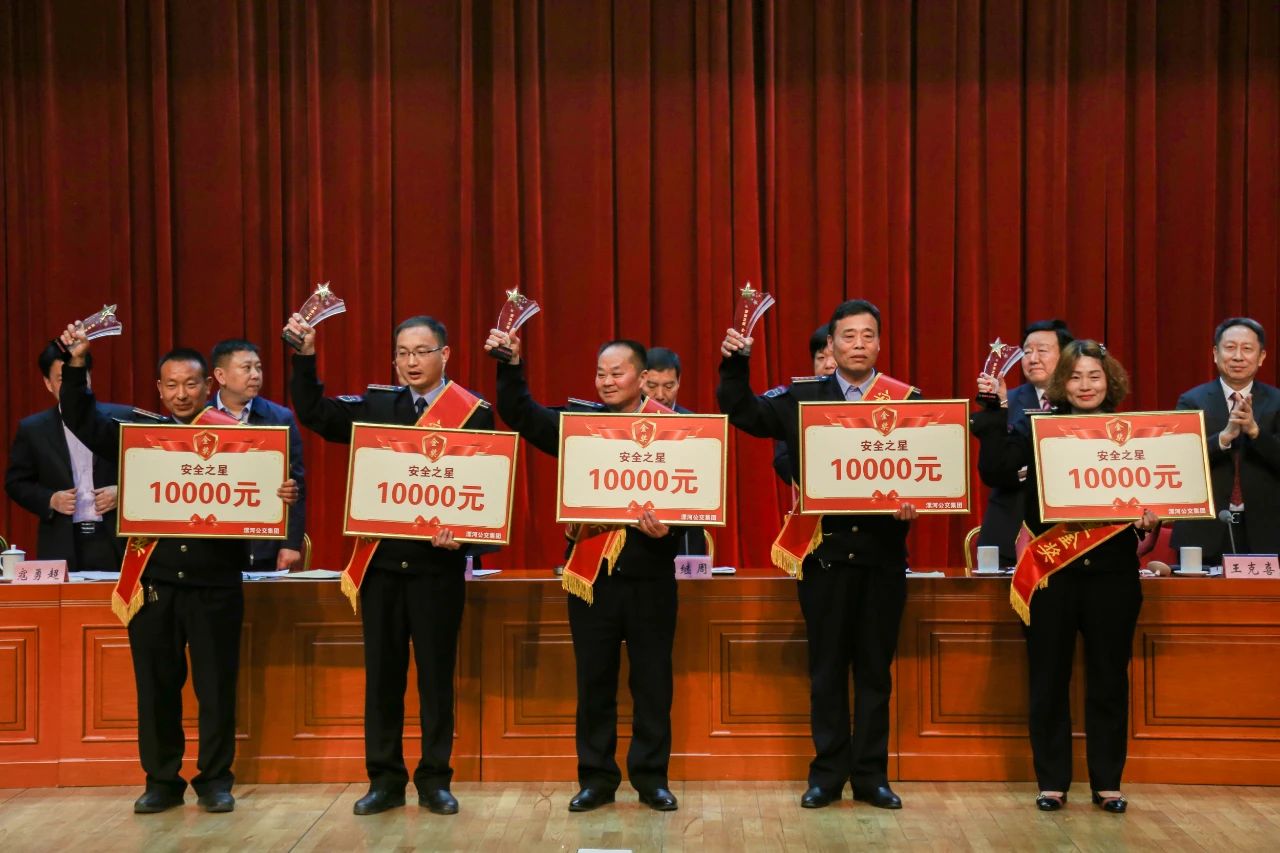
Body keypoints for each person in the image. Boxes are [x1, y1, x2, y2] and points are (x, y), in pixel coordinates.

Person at [57, 326, 298, 815]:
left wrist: (282, 495)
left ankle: (215, 780)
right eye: (171, 385)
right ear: (159, 390)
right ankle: (162, 781)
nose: (181, 394)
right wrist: (78, 364)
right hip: (153, 583)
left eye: (190, 384)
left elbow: (272, 489)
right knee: (156, 688)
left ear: (208, 386)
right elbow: (80, 418)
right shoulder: (137, 434)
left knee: (216, 688)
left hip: (216, 582)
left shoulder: (241, 441)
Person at [285, 313, 491, 817]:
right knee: (383, 679)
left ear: (445, 354)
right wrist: (305, 358)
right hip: (381, 568)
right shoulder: (378, 406)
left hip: (438, 570)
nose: (410, 362)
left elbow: (484, 490)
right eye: (402, 353)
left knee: (436, 681)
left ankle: (436, 780)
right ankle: (385, 780)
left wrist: (463, 538)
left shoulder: (472, 413)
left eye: (421, 352)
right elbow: (314, 414)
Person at [718, 299, 919, 811]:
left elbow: (928, 466)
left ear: (879, 343)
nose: (858, 344)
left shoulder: (907, 400)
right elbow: (742, 412)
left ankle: (871, 777)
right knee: (827, 672)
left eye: (867, 335)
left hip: (883, 560)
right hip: (825, 559)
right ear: (830, 345)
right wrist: (736, 363)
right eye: (848, 336)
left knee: (875, 674)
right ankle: (827, 776)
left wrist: (917, 498)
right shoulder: (802, 398)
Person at [486, 329, 685, 813]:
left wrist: (670, 531)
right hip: (591, 579)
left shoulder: (676, 431)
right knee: (594, 684)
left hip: (652, 579)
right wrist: (510, 367)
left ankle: (651, 779)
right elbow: (522, 415)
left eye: (617, 373)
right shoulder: (580, 426)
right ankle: (597, 779)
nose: (607, 381)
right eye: (600, 373)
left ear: (642, 378)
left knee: (653, 685)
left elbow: (694, 499)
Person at [972, 340, 1159, 814]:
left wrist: (1154, 515)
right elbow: (996, 469)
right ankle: (1052, 781)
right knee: (1048, 680)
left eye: (1094, 376)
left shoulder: (1133, 435)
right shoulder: (1036, 426)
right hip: (1052, 573)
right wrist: (994, 411)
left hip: (1113, 574)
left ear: (1110, 382)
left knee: (1109, 680)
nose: (1085, 385)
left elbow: (1158, 489)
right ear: (1061, 383)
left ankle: (1108, 783)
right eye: (1075, 377)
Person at [5, 343, 131, 570]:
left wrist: (122, 493)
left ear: (88, 377)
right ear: (48, 383)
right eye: (62, 379)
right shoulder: (33, 429)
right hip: (61, 541)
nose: (71, 384)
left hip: (116, 540)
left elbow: (151, 474)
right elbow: (16, 483)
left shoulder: (123, 419)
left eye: (79, 376)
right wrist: (50, 499)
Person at [1172, 317, 1279, 563]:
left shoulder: (1277, 402)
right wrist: (1224, 437)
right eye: (1230, 348)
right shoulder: (1191, 401)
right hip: (1203, 532)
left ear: (1261, 357)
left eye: (1247, 349)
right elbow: (1180, 461)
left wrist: (1255, 431)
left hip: (1266, 532)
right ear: (1215, 354)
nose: (1238, 356)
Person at [973, 319, 1073, 565]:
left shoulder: (1080, 401)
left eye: (1042, 350)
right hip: (1010, 531)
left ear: (1066, 357)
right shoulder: (1004, 401)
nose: (1033, 359)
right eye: (1027, 352)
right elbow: (994, 470)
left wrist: (1026, 471)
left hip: (1069, 535)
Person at [210, 339, 306, 570]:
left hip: (264, 546)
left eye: (258, 368)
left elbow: (297, 485)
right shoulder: (201, 418)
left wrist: (291, 544)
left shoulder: (279, 418)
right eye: (246, 368)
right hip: (212, 545)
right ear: (221, 376)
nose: (255, 375)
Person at [773, 325, 839, 484]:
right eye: (821, 358)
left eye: (835, 357)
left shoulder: (869, 396)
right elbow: (782, 460)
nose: (828, 364)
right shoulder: (801, 400)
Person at [642, 347, 685, 411]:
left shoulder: (690, 418)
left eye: (668, 386)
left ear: (678, 381)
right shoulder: (627, 416)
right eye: (652, 386)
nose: (660, 396)